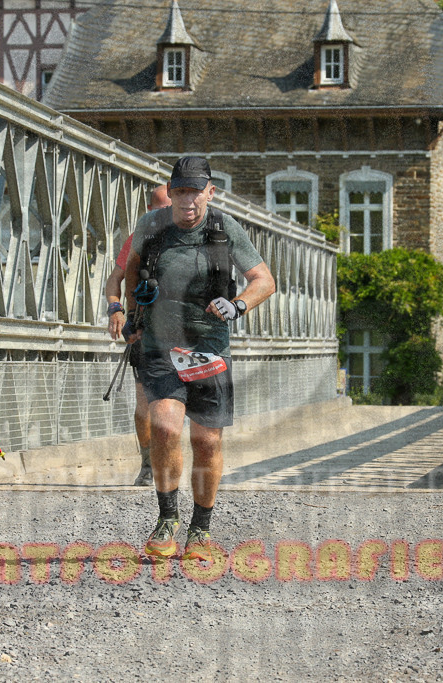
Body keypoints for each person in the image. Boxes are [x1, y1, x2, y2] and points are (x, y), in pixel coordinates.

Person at [123, 156, 275, 561]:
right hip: (160, 344)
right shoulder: (151, 226)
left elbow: (264, 280)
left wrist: (239, 304)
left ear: (210, 191)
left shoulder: (225, 229)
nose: (188, 200)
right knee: (167, 429)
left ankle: (201, 530)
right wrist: (130, 314)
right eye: (180, 191)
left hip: (209, 348)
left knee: (206, 441)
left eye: (196, 191)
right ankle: (168, 519)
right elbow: (131, 269)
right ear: (170, 192)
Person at [105, 184, 171, 486]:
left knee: (172, 405)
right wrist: (116, 310)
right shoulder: (136, 240)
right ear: (149, 211)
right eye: (161, 210)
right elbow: (114, 280)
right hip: (144, 334)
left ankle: (168, 460)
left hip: (181, 334)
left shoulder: (195, 239)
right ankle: (147, 463)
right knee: (144, 406)